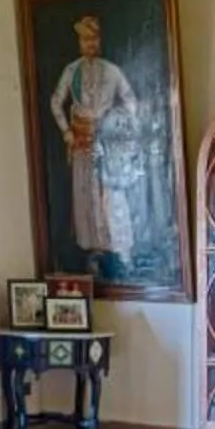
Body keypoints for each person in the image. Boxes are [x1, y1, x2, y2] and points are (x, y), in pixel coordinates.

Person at [48, 14, 139, 277]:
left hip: (109, 144)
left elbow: (130, 101)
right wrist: (66, 131)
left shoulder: (112, 71)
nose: (90, 43)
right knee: (85, 193)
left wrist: (121, 128)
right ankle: (91, 248)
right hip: (81, 140)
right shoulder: (72, 70)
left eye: (93, 38)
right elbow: (56, 102)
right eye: (85, 39)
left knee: (112, 196)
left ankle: (118, 249)